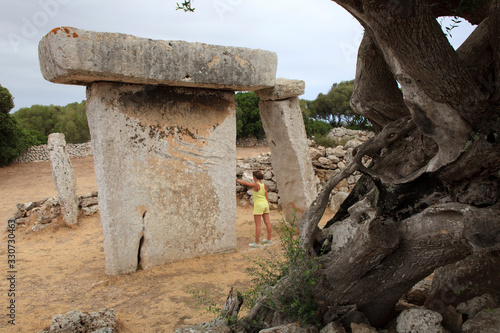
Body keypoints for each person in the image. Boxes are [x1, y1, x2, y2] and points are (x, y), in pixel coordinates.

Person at [237, 171, 272, 248]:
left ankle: (256, 243)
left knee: (258, 225)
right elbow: (266, 197)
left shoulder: (255, 185)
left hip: (259, 205)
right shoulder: (264, 185)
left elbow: (245, 183)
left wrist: (236, 180)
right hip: (265, 204)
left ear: (255, 177)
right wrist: (267, 205)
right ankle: (269, 239)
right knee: (267, 222)